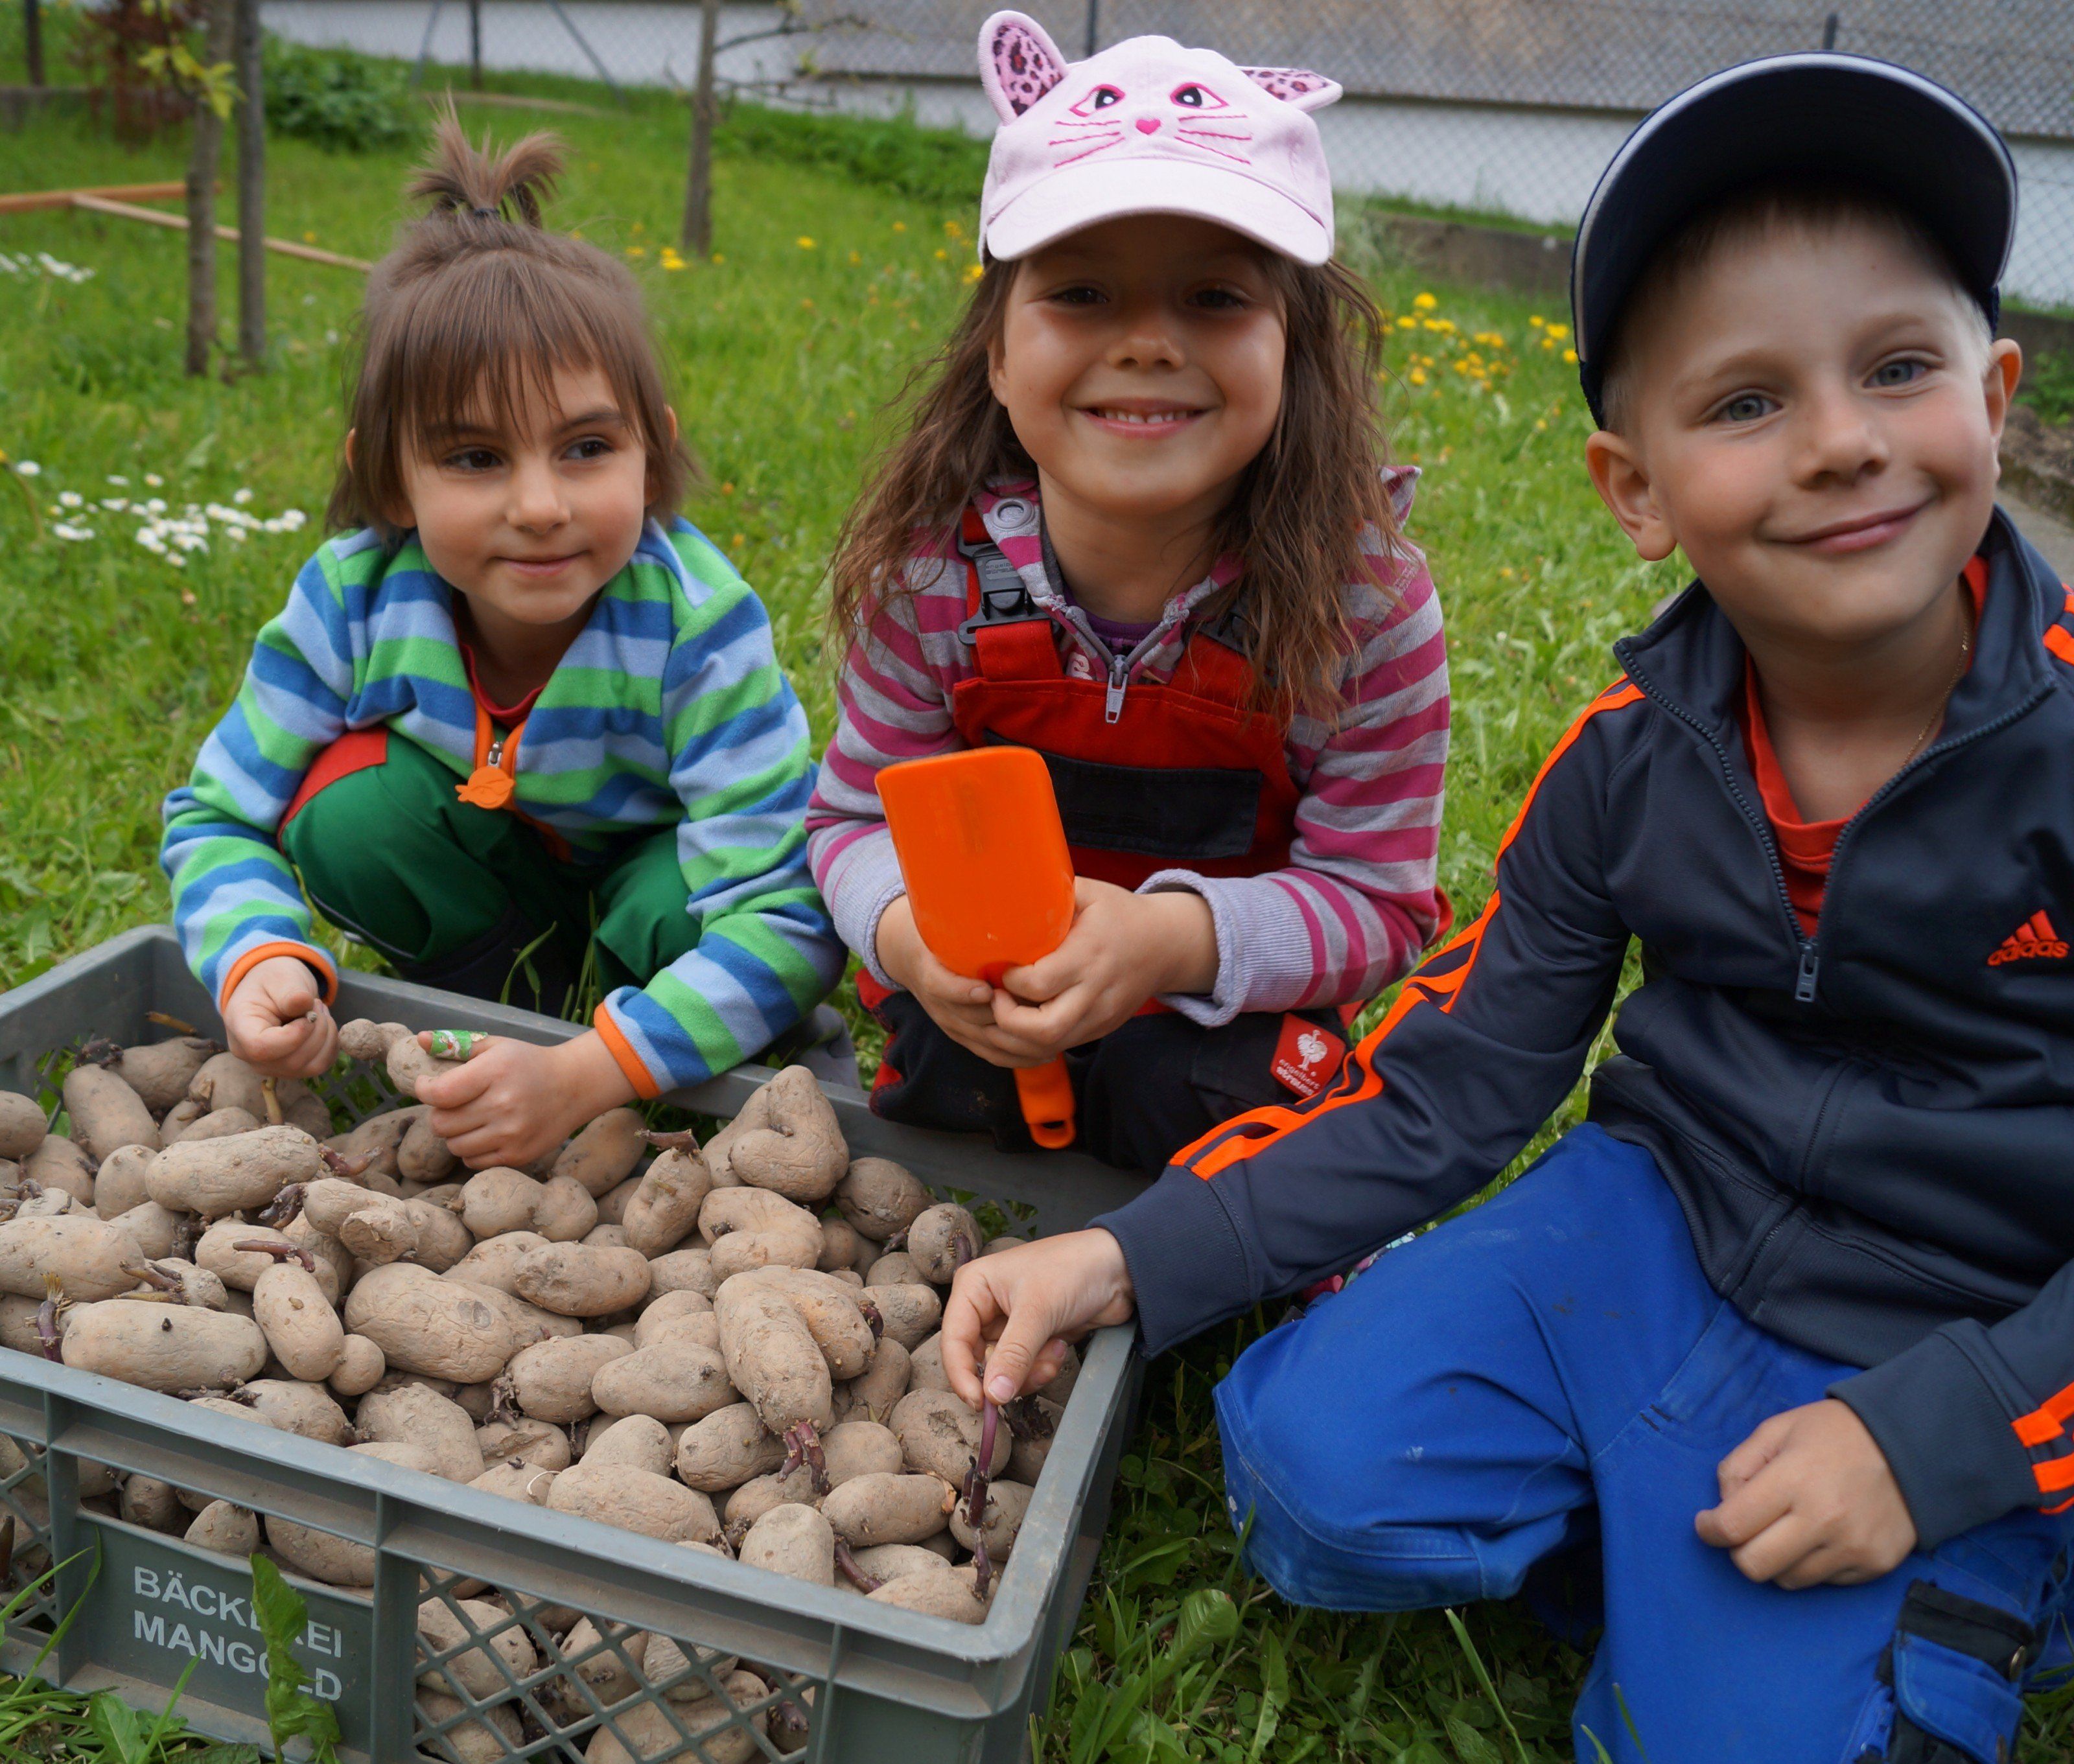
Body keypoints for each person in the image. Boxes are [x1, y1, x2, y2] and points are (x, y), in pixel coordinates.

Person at [946, 54, 2074, 1761]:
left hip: (1965, 1323)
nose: (1843, 443)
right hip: (1657, 1214)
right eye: (1748, 403)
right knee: (1314, 1478)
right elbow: (1447, 1081)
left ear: (1995, 394)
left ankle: (1954, 1576)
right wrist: (1128, 1250)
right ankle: (1673, 1522)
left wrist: (1946, 1438)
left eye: (1899, 370)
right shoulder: (1625, 761)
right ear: (1636, 490)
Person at [806, 12, 1451, 1173]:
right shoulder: (932, 578)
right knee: (952, 1098)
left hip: (1221, 1022)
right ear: (998, 356)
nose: (1148, 342)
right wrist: (909, 941)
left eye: (1214, 297)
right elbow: (853, 820)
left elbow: (1377, 905)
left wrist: (1167, 941)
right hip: (992, 1012)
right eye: (1085, 294)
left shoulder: (1367, 609)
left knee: (1206, 1107)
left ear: (1295, 358)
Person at [161, 117, 846, 1171]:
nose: (540, 505)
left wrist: (589, 1076)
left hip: (652, 902)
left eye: (585, 448)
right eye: (476, 457)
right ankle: (513, 1015)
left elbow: (788, 908)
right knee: (350, 810)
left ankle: (700, 1049)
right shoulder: (351, 600)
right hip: (500, 884)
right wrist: (251, 954)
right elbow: (215, 814)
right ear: (390, 478)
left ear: (652, 450)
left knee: (689, 904)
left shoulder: (696, 624)